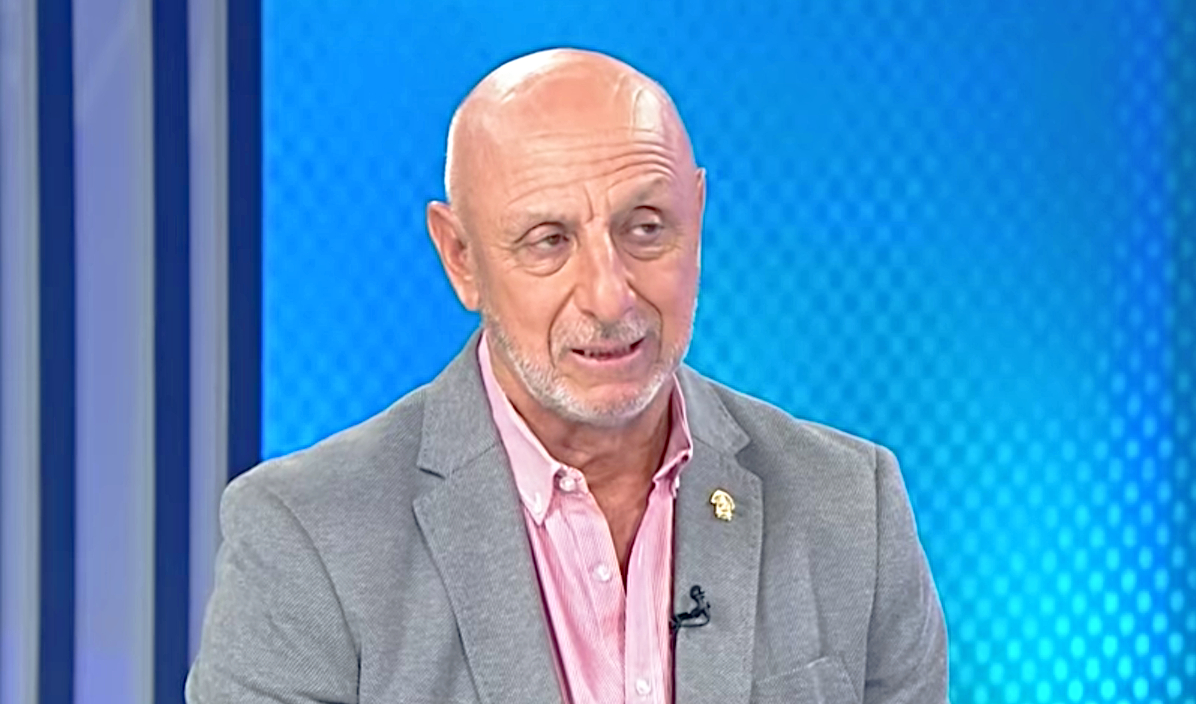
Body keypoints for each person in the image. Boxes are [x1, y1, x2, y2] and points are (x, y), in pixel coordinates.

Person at [186, 48, 948, 704]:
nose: (610, 297)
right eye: (548, 241)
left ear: (697, 215)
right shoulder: (308, 535)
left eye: (645, 228)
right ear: (460, 258)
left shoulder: (851, 505)